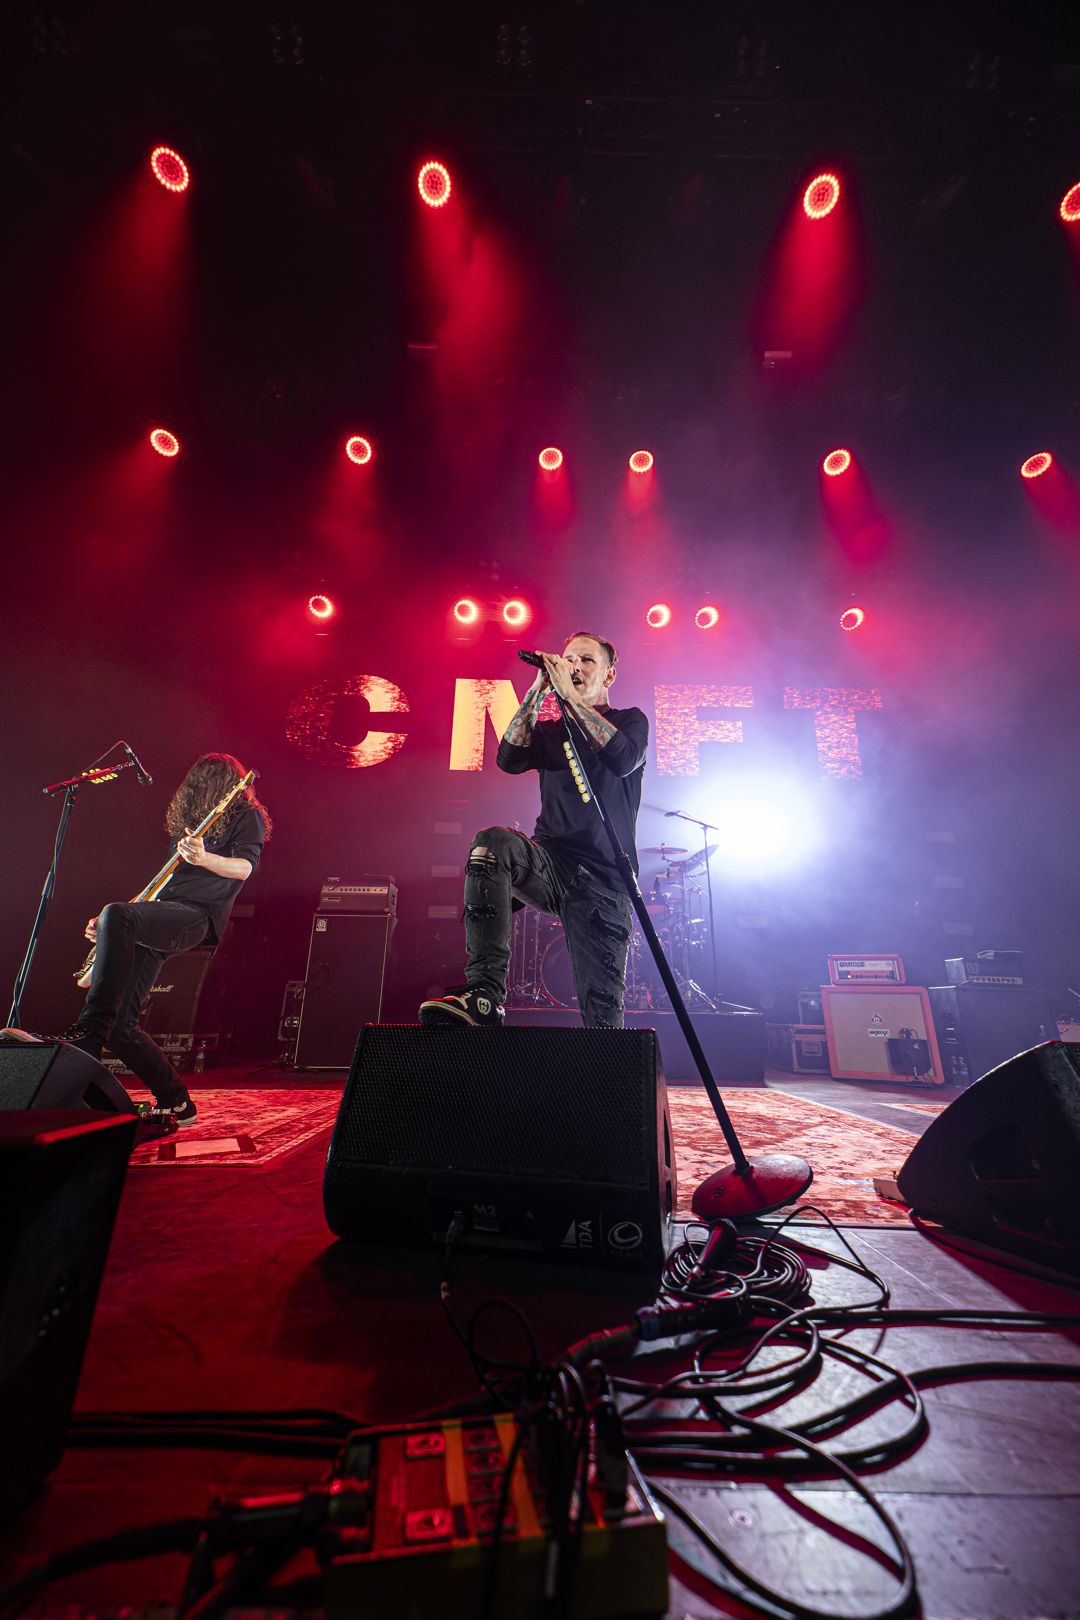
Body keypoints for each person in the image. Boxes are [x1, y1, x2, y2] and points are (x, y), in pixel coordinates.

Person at [419, 632, 648, 1029]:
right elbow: (508, 758)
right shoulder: (552, 732)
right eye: (569, 659)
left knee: (605, 1025)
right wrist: (537, 692)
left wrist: (572, 699)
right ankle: (484, 993)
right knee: (493, 843)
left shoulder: (630, 720)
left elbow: (622, 758)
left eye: (587, 660)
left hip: (605, 882)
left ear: (609, 675)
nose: (574, 666)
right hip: (552, 864)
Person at [64, 754, 270, 1123]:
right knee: (122, 1027)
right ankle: (176, 1101)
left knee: (117, 916)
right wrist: (110, 925)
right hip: (165, 913)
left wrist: (205, 858)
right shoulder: (189, 827)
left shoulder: (246, 815)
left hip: (197, 917)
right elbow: (161, 888)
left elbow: (245, 868)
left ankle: (89, 1032)